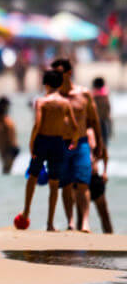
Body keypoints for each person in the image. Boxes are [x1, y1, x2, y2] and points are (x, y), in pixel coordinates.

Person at [15, 69, 77, 232]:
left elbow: (37, 124)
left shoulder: (42, 102)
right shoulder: (65, 103)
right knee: (54, 183)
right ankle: (50, 223)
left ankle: (26, 212)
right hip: (58, 142)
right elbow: (74, 126)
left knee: (33, 176)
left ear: (46, 84)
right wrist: (72, 142)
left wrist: (31, 142)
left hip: (43, 140)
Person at [53, 58, 104, 233]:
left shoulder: (83, 94)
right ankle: (70, 222)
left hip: (81, 142)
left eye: (59, 73)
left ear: (69, 73)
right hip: (61, 143)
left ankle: (85, 222)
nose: (56, 76)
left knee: (83, 183)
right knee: (66, 184)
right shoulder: (54, 96)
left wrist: (99, 144)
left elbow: (94, 120)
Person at [0, 97, 19, 174]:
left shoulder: (5, 122)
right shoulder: (5, 121)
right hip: (10, 148)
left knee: (6, 170)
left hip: (9, 148)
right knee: (6, 170)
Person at [92, 76, 112, 147]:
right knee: (104, 141)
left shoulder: (94, 94)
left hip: (98, 120)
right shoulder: (105, 93)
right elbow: (108, 108)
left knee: (98, 141)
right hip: (103, 119)